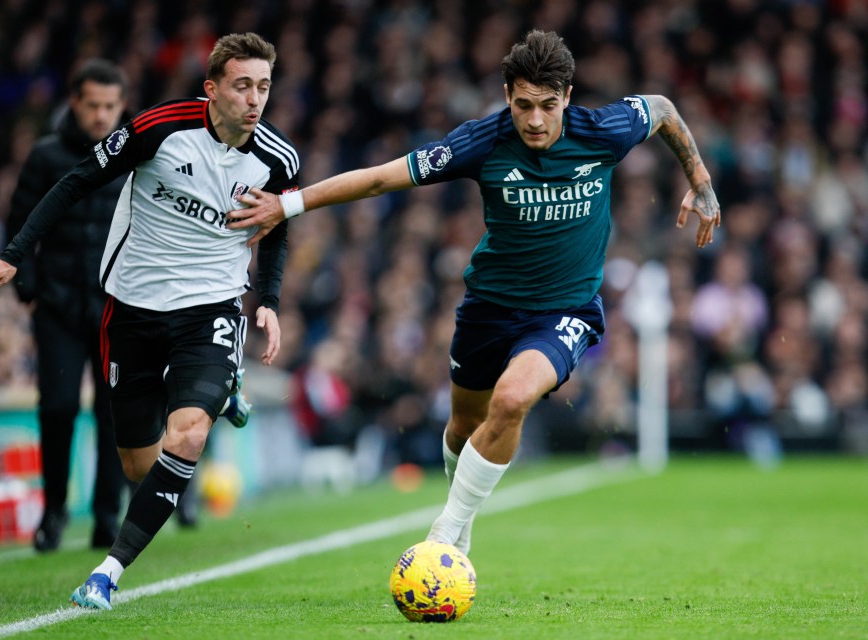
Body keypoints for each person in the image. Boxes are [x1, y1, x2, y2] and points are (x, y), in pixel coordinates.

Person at [229, 30, 721, 556]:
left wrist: (701, 180)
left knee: (512, 399)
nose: (535, 120)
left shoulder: (604, 131)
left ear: (568, 98)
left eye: (548, 106)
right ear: (508, 95)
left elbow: (665, 109)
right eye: (524, 105)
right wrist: (289, 205)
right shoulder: (482, 141)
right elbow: (379, 180)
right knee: (464, 426)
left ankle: (445, 536)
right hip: (489, 308)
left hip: (566, 309)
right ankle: (458, 518)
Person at [0, 32, 297, 609]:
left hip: (212, 308)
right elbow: (75, 181)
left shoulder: (277, 158)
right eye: (243, 85)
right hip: (132, 309)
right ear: (212, 88)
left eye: (264, 87)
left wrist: (267, 299)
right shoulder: (159, 128)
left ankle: (107, 571)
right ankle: (223, 395)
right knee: (138, 462)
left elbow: (277, 226)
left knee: (188, 433)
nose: (255, 99)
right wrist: (13, 254)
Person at [6, 58, 131, 552]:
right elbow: (19, 224)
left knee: (112, 415)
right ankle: (53, 511)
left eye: (110, 106)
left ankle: (106, 517)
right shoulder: (45, 157)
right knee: (57, 409)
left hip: (116, 310)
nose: (101, 116)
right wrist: (29, 290)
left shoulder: (137, 153)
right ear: (75, 103)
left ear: (122, 106)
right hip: (57, 307)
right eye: (93, 105)